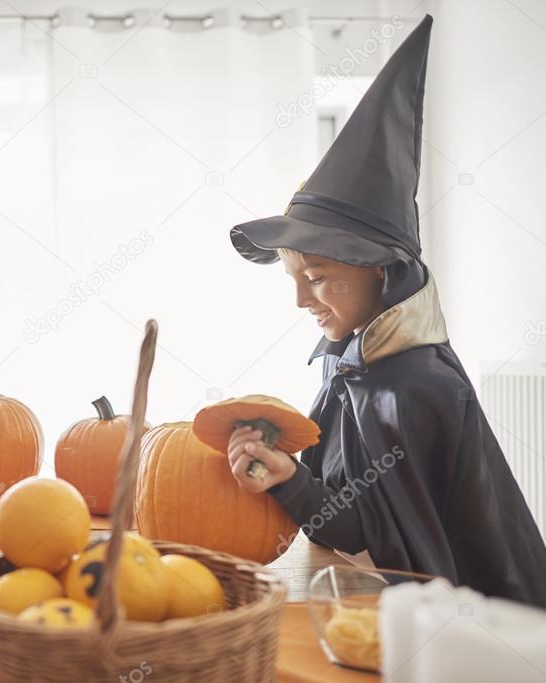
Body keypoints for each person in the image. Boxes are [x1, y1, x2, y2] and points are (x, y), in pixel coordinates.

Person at [224, 15, 546, 609]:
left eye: (317, 279)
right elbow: (349, 520)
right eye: (294, 279)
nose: (301, 301)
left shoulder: (415, 387)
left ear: (379, 269)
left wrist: (292, 482)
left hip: (492, 635)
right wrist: (289, 473)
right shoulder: (352, 367)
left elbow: (381, 545)